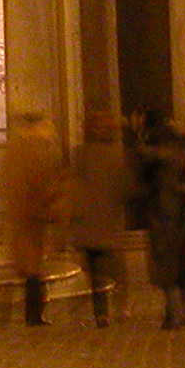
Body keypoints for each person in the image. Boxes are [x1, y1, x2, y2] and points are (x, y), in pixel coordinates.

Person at [137, 109, 185, 330]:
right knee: (184, 262)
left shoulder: (152, 146)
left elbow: (141, 175)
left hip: (163, 212)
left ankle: (174, 313)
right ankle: (184, 309)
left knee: (166, 264)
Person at [0, 111, 65, 326]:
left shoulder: (14, 147)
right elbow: (40, 180)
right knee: (31, 269)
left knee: (26, 268)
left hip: (22, 216)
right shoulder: (36, 148)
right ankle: (32, 315)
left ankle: (19, 316)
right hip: (31, 216)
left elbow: (6, 183)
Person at [66, 111, 135, 326]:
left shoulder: (79, 154)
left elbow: (71, 187)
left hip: (87, 223)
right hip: (110, 221)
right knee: (117, 270)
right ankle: (121, 307)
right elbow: (127, 188)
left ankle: (101, 313)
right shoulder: (119, 154)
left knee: (96, 273)